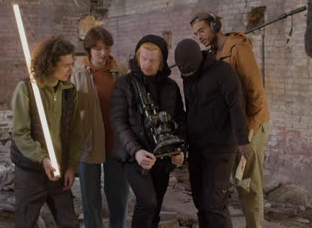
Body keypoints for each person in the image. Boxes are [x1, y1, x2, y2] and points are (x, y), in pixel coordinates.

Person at [190, 12, 270, 228]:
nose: (200, 36)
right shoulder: (215, 53)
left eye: (202, 30)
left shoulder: (238, 49)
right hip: (235, 130)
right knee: (237, 182)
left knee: (249, 185)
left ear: (215, 25)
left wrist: (249, 130)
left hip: (251, 126)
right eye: (196, 33)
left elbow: (255, 90)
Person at [110, 35, 186, 228]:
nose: (146, 64)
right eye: (143, 58)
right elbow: (118, 122)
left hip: (162, 156)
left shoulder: (171, 87)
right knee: (147, 202)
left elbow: (180, 120)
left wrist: (181, 150)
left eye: (152, 60)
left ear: (161, 62)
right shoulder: (124, 84)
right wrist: (136, 151)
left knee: (156, 206)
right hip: (134, 154)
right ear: (137, 57)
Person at [174, 39, 249, 228]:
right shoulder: (188, 76)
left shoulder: (222, 72)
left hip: (221, 149)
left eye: (187, 67)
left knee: (214, 203)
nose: (184, 72)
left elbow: (236, 105)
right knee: (200, 202)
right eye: (181, 68)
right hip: (197, 148)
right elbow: (190, 110)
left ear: (198, 59)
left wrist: (242, 139)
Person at [10, 37, 81, 228]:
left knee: (69, 223)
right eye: (66, 65)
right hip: (30, 171)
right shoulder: (25, 89)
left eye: (72, 64)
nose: (71, 70)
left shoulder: (69, 91)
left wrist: (71, 167)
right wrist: (42, 158)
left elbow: (75, 132)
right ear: (50, 64)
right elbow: (20, 133)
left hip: (58, 171)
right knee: (26, 223)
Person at [71, 26, 129, 228]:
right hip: (88, 141)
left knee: (119, 195)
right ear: (88, 49)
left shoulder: (119, 71)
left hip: (116, 142)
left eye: (107, 48)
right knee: (90, 197)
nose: (104, 53)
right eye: (98, 48)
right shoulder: (77, 72)